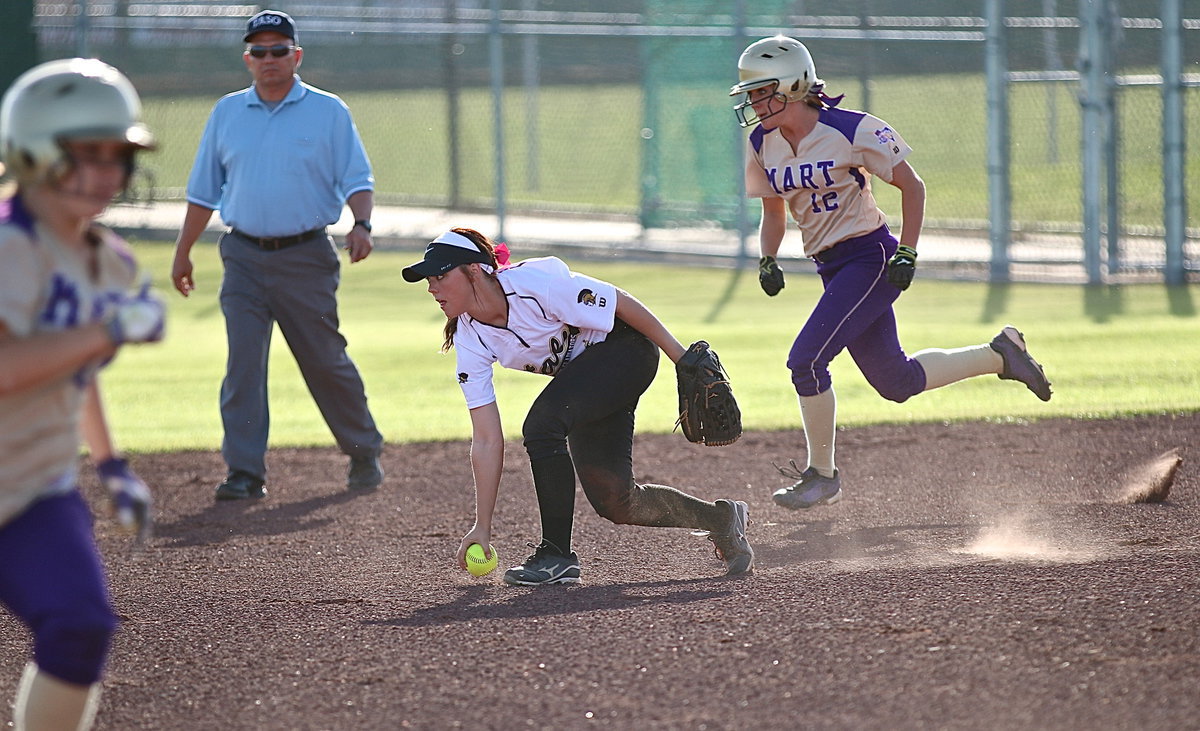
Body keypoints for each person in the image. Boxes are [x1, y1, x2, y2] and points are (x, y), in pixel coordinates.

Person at [729, 36, 1053, 510]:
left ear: (794, 85)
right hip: (831, 266)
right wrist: (768, 257)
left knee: (806, 361)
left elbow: (912, 185)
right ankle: (1000, 355)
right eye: (751, 94)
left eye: (762, 91)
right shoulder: (762, 143)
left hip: (870, 257)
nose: (754, 102)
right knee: (894, 382)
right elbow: (774, 212)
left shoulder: (850, 129)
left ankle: (822, 475)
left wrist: (908, 252)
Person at [403, 228, 754, 585]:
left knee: (542, 426)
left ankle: (556, 555)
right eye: (429, 279)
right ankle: (721, 519)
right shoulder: (470, 339)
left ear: (474, 270)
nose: (432, 287)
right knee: (617, 501)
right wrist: (482, 526)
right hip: (587, 381)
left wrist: (680, 357)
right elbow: (487, 439)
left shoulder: (534, 284)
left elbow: (619, 301)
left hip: (627, 349)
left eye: (441, 275)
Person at [0, 58, 165, 731]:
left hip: (32, 488)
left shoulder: (110, 260)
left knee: (80, 624)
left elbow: (81, 366)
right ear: (35, 152)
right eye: (87, 154)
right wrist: (109, 326)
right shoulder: (11, 246)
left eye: (117, 155)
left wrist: (112, 465)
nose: (107, 172)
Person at [170, 9, 385, 501]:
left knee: (324, 360)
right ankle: (245, 472)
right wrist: (183, 252)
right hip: (242, 256)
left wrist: (363, 225)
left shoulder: (329, 111)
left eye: (279, 50)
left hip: (306, 255)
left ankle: (362, 451)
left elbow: (357, 178)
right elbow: (204, 191)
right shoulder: (227, 112)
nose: (269, 59)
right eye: (259, 51)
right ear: (247, 58)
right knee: (244, 364)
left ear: (297, 55)